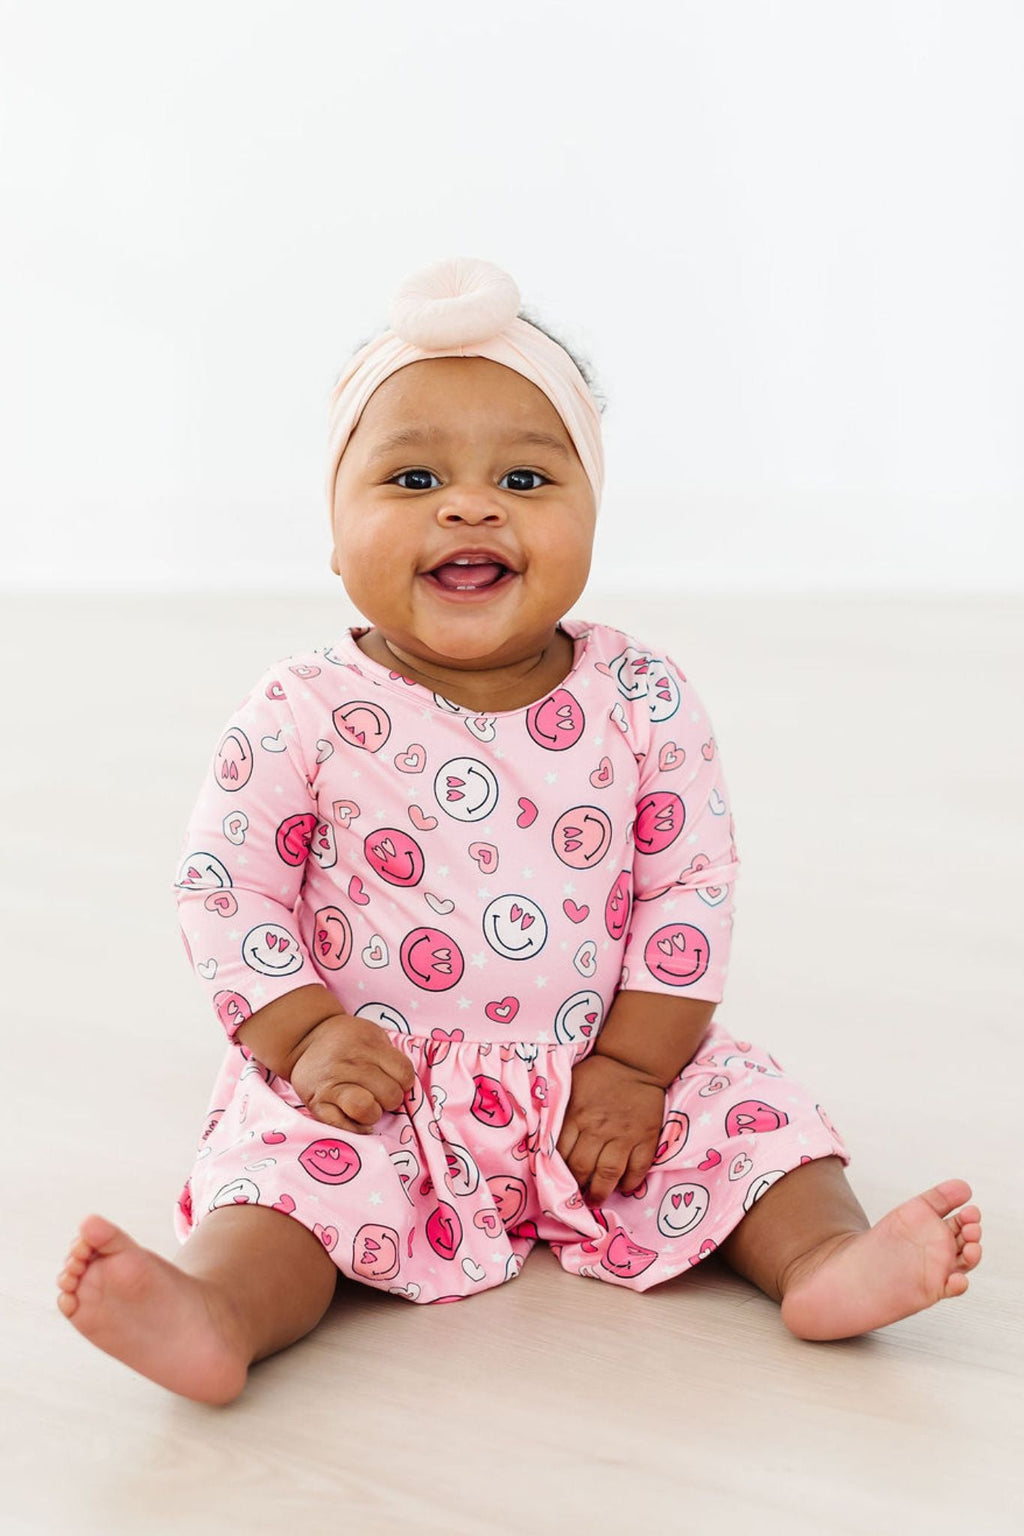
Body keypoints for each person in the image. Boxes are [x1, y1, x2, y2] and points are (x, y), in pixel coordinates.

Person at [56, 256, 982, 1404]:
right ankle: (219, 1309)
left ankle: (823, 1259)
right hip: (377, 1078)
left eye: (527, 476)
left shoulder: (641, 695)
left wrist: (641, 1068)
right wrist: (301, 1040)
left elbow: (689, 885)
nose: (469, 504)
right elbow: (224, 888)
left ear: (593, 514)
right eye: (411, 475)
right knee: (292, 1183)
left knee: (756, 1125)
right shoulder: (302, 710)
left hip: (606, 1076)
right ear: (334, 534)